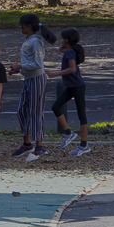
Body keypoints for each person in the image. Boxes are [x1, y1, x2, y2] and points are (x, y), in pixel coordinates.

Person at [10, 14, 50, 162]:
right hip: (28, 79)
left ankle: (39, 144)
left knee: (35, 111)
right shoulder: (28, 41)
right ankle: (27, 143)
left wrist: (20, 66)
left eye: (22, 26)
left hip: (37, 79)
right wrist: (18, 70)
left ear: (28, 26)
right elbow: (29, 63)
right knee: (22, 110)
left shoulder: (36, 42)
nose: (21, 28)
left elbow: (38, 64)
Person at [49, 28, 90, 157]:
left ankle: (84, 145)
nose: (60, 40)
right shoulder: (70, 51)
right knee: (55, 107)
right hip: (71, 86)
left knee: (81, 115)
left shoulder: (70, 53)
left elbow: (72, 69)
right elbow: (60, 49)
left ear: (67, 40)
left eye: (62, 38)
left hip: (77, 86)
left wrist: (56, 73)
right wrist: (65, 44)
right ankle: (69, 133)